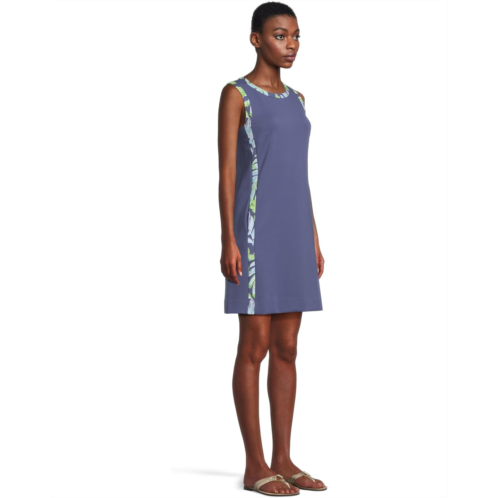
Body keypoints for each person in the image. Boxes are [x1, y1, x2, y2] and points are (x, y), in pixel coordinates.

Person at [218, 2, 327, 495]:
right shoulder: (236, 94)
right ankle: (255, 464)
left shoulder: (299, 99)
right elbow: (227, 172)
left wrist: (314, 235)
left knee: (288, 347)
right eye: (281, 35)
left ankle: (284, 457)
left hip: (295, 233)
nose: (291, 45)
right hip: (256, 236)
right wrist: (228, 238)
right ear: (256, 39)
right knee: (255, 346)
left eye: (296, 36)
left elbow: (297, 173)